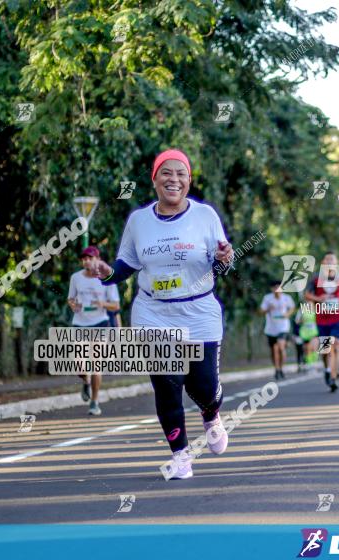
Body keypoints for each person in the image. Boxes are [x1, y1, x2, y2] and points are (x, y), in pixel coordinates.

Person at [86, 148, 235, 480]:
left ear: (189, 180)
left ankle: (211, 414)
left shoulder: (205, 215)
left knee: (205, 387)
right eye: (166, 173)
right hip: (154, 313)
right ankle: (181, 454)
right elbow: (125, 266)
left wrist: (225, 258)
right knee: (167, 386)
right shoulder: (139, 221)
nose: (174, 179)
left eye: (181, 174)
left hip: (199, 311)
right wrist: (106, 272)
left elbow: (221, 261)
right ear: (154, 178)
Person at [67, 246, 121, 416]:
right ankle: (85, 380)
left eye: (89, 258)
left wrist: (102, 304)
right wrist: (73, 305)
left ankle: (94, 401)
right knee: (79, 364)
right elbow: (70, 299)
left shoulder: (106, 278)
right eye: (83, 259)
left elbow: (116, 305)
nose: (86, 261)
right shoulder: (75, 278)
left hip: (100, 322)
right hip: (80, 323)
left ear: (97, 259)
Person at [303, 252, 339, 392]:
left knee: (337, 344)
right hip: (322, 319)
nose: (329, 261)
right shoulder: (316, 279)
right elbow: (307, 294)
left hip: (338, 317)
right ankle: (328, 369)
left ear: (336, 262)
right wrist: (319, 299)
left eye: (332, 259)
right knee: (325, 349)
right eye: (327, 259)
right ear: (323, 262)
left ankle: (334, 377)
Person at [258, 280, 295, 380]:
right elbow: (261, 311)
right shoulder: (267, 298)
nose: (277, 290)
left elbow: (292, 308)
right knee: (273, 350)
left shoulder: (287, 298)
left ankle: (281, 368)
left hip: (283, 327)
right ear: (272, 289)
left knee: (281, 346)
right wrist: (268, 309)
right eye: (275, 288)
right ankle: (277, 369)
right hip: (271, 328)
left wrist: (287, 314)